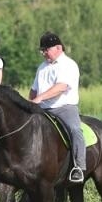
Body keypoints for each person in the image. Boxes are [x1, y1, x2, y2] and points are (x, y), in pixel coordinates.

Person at [30, 31, 85, 183]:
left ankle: (79, 167)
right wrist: (29, 102)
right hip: (42, 108)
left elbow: (61, 87)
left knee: (75, 129)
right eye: (42, 50)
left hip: (64, 108)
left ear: (58, 48)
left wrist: (39, 98)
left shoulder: (68, 65)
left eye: (46, 49)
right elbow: (34, 89)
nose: (43, 53)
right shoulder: (42, 67)